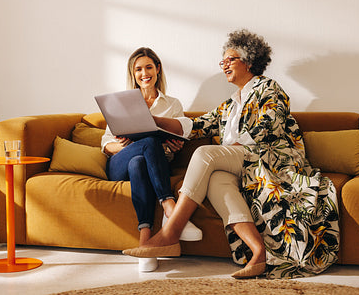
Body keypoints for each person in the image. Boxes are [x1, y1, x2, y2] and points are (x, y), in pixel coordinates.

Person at [123, 30, 340, 279]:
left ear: (248, 61)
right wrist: (151, 120)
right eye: (222, 61)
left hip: (268, 159)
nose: (224, 65)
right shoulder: (230, 103)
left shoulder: (268, 87)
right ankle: (258, 252)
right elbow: (196, 126)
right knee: (217, 179)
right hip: (241, 162)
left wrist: (229, 149)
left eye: (230, 59)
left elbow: (270, 124)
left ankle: (171, 232)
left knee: (207, 154)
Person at [102, 47, 202, 273]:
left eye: (149, 67)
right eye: (138, 69)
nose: (144, 73)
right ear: (132, 73)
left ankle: (145, 241)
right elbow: (106, 145)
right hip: (119, 163)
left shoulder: (173, 104)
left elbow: (176, 139)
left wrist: (173, 146)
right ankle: (170, 207)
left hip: (148, 163)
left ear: (157, 69)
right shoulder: (122, 102)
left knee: (140, 161)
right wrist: (125, 144)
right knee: (147, 141)